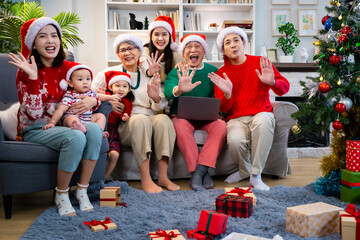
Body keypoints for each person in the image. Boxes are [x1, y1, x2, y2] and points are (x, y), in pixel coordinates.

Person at [8, 17, 103, 216]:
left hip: (65, 124)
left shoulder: (70, 67)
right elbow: (33, 115)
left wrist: (94, 102)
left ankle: (82, 190)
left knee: (94, 130)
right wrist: (33, 78)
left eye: (54, 35)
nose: (50, 41)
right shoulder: (25, 71)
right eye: (42, 36)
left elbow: (89, 90)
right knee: (76, 136)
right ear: (33, 42)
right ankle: (61, 194)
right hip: (35, 129)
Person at [92, 34, 179, 193]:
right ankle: (146, 179)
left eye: (131, 48)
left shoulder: (149, 73)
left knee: (164, 120)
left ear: (139, 51)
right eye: (122, 50)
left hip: (150, 117)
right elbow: (90, 94)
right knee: (140, 120)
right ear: (118, 54)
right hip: (126, 124)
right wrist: (108, 102)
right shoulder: (108, 73)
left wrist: (155, 98)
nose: (127, 52)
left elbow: (161, 104)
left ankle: (164, 177)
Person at [208, 27, 290, 191]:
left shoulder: (260, 62)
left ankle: (255, 175)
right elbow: (223, 109)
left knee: (264, 122)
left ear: (244, 43)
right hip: (236, 118)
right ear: (223, 50)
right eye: (227, 43)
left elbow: (285, 88)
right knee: (235, 141)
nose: (232, 45)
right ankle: (244, 170)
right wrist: (228, 93)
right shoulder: (222, 73)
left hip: (261, 113)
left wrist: (272, 82)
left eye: (236, 40)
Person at [164, 33, 226, 190]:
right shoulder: (177, 71)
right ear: (183, 53)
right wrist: (179, 89)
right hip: (182, 117)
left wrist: (220, 111)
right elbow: (168, 91)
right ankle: (198, 173)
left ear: (204, 52)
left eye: (197, 46)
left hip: (208, 118)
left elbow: (220, 96)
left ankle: (200, 171)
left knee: (220, 126)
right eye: (189, 47)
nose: (193, 49)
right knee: (178, 125)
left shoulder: (213, 71)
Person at [42, 63, 107, 137]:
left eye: (88, 79)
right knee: (70, 119)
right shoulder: (70, 95)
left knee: (100, 116)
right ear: (70, 83)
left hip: (88, 119)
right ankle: (78, 127)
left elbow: (100, 97)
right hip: (73, 118)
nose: (85, 82)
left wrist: (110, 97)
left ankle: (99, 131)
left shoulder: (91, 93)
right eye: (80, 79)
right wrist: (52, 122)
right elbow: (61, 109)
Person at [100, 71, 134, 181]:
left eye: (124, 86)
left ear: (129, 89)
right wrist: (104, 98)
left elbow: (125, 113)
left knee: (114, 155)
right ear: (110, 87)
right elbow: (96, 100)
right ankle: (93, 178)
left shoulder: (127, 102)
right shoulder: (107, 95)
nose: (120, 89)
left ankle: (104, 178)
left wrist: (124, 116)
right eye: (117, 86)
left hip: (113, 130)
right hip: (101, 127)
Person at [142, 16, 184, 84]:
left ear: (169, 37)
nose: (160, 38)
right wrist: (149, 72)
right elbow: (144, 62)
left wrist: (183, 65)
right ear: (151, 37)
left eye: (164, 34)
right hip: (151, 89)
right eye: (156, 34)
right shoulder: (145, 50)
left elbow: (183, 66)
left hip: (170, 90)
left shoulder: (175, 52)